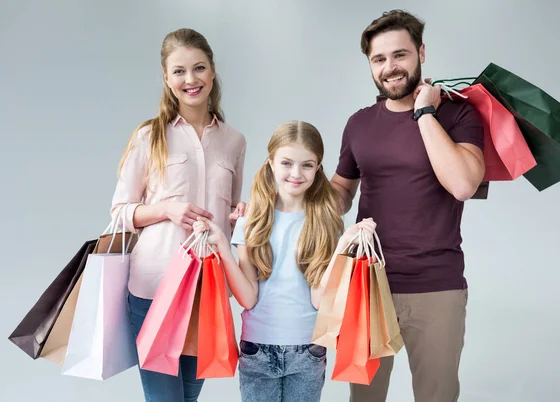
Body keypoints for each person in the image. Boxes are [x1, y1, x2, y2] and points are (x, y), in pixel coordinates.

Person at [330, 10, 485, 402]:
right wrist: (283, 202)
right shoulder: (359, 123)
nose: (390, 68)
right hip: (367, 282)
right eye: (379, 59)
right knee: (364, 398)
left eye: (400, 55)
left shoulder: (458, 113)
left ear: (421, 53)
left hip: (435, 285)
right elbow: (340, 193)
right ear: (369, 64)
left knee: (437, 396)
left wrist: (425, 112)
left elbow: (464, 184)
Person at [193, 120, 377, 402]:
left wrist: (342, 250)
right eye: (287, 163)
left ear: (318, 168)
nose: (296, 173)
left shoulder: (327, 222)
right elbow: (248, 297)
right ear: (271, 164)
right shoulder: (250, 220)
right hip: (257, 350)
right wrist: (221, 243)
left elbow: (319, 300)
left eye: (307, 165)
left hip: (308, 351)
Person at [110, 28, 247, 402]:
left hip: (208, 288)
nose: (191, 79)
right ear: (167, 79)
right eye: (180, 71)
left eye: (199, 68)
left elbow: (229, 217)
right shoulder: (149, 136)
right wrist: (166, 209)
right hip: (154, 288)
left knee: (188, 397)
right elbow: (120, 212)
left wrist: (241, 215)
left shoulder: (234, 141)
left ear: (213, 71)